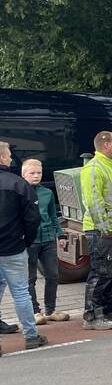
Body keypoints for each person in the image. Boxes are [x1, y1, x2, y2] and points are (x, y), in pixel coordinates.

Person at [0, 142, 48, 354]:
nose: (11, 159)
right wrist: (25, 241)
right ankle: (31, 335)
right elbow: (32, 219)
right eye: (9, 155)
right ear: (2, 158)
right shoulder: (18, 184)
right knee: (20, 292)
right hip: (13, 246)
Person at [81, 131, 112, 330]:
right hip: (102, 230)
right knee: (100, 272)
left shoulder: (109, 166)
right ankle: (91, 316)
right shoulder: (93, 168)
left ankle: (108, 309)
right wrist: (105, 228)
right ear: (106, 145)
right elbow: (94, 201)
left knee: (111, 273)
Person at [20, 159, 70, 322]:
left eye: (39, 173)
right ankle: (35, 311)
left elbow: (53, 216)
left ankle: (51, 310)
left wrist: (60, 234)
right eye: (32, 173)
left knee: (53, 275)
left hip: (48, 239)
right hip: (29, 241)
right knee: (30, 278)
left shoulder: (47, 193)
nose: (36, 176)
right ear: (23, 174)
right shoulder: (19, 192)